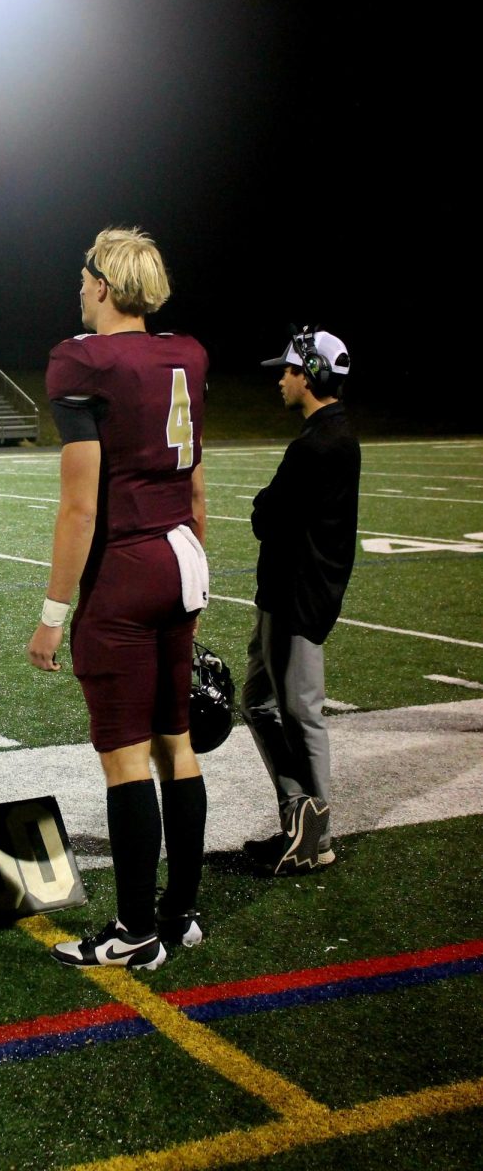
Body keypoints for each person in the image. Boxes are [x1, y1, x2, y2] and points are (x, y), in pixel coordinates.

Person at [27, 227, 210, 970]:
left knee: (125, 757)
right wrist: (197, 574)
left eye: (82, 277)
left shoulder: (85, 360)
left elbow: (79, 509)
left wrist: (50, 615)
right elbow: (196, 485)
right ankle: (180, 914)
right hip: (181, 557)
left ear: (102, 285)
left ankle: (134, 931)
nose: (77, 288)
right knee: (177, 742)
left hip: (127, 566)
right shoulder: (187, 356)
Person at [240, 327, 359, 875]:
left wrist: (265, 504)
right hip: (287, 593)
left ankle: (317, 833)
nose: (282, 380)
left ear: (309, 373)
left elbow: (267, 516)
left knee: (299, 713)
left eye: (288, 370)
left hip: (296, 598)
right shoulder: (332, 436)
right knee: (261, 703)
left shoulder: (316, 444)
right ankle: (300, 819)